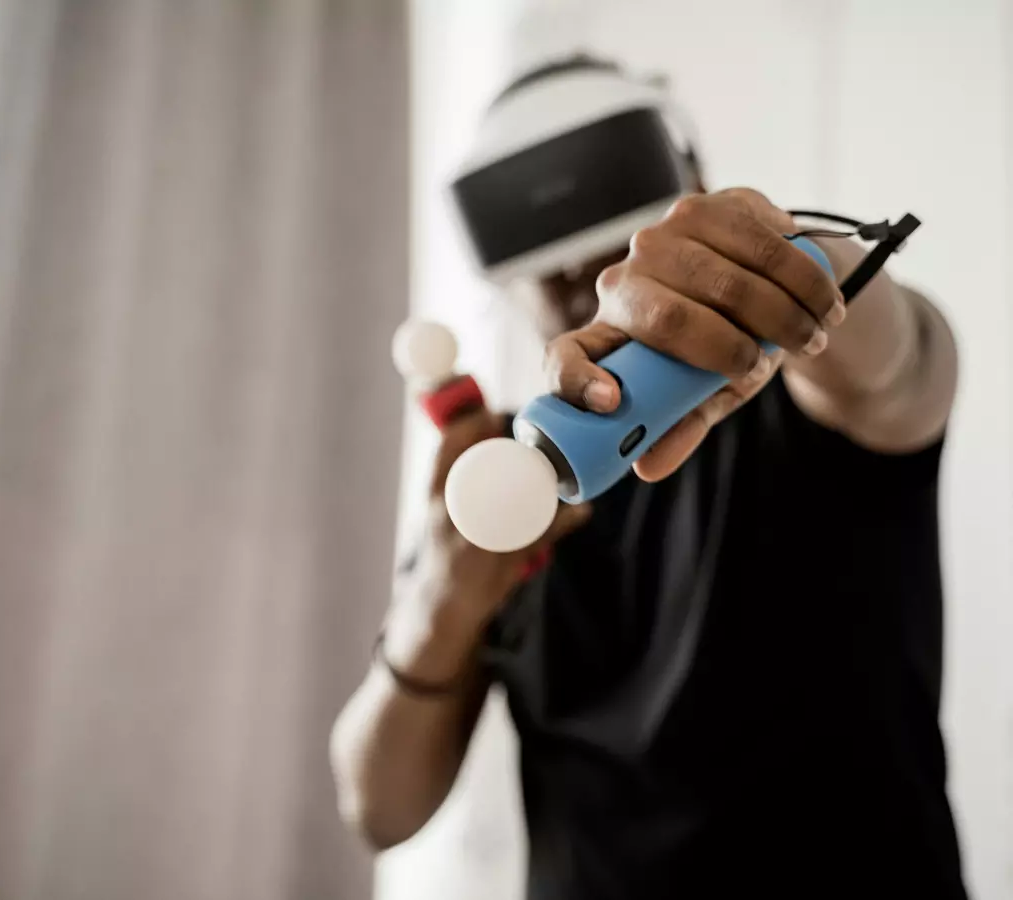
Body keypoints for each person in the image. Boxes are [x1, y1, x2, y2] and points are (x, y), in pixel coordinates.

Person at [330, 56, 968, 899]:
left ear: (690, 199)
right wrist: (444, 602)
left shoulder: (805, 398)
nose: (578, 272)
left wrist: (807, 267)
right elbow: (378, 808)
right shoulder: (493, 483)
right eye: (539, 249)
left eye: (607, 217)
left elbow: (900, 363)